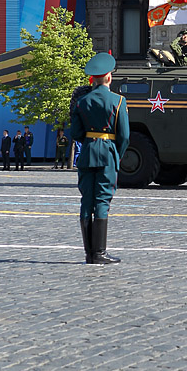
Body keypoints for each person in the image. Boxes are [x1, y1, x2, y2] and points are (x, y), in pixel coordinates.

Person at [70, 52, 130, 265]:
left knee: (86, 201)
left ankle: (89, 253)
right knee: (102, 200)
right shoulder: (118, 101)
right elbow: (124, 136)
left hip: (86, 153)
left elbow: (76, 134)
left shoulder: (81, 102)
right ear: (109, 78)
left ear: (91, 79)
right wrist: (117, 156)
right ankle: (100, 253)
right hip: (107, 154)